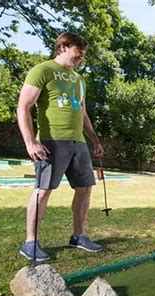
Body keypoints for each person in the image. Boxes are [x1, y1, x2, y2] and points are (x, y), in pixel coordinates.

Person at [17, 32, 104, 261]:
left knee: (85, 188)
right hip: (51, 141)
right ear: (63, 47)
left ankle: (78, 236)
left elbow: (83, 113)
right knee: (43, 191)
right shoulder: (42, 70)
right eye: (78, 51)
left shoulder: (79, 80)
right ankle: (30, 242)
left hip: (78, 142)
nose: (81, 56)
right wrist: (30, 142)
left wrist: (94, 140)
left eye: (83, 52)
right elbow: (23, 107)